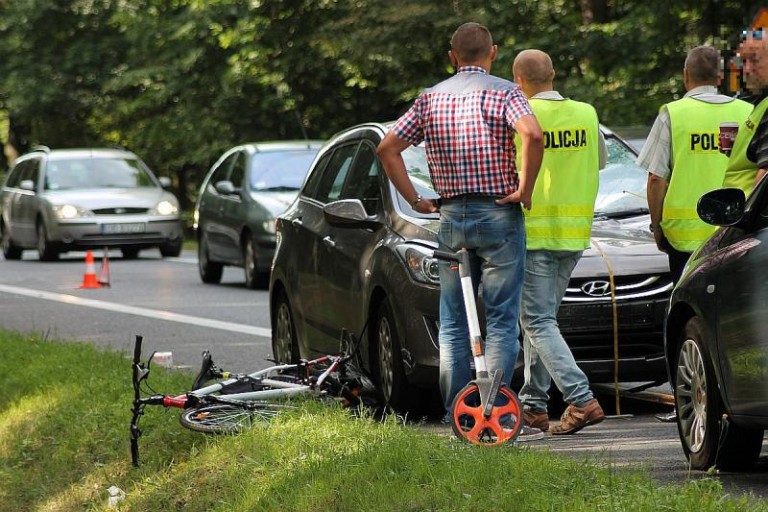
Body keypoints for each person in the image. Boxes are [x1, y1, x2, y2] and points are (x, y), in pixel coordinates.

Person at [377, 22, 545, 441]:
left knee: (452, 321)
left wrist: (416, 200)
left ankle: (462, 419)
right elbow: (532, 134)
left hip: (452, 217)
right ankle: (497, 416)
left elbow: (387, 148)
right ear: (494, 53)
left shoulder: (429, 98)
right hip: (499, 214)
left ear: (452, 57)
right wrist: (525, 189)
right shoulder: (506, 92)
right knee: (502, 319)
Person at [511, 49, 606, 435]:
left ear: (518, 81)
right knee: (543, 320)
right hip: (574, 233)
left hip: (534, 232)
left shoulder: (519, 116)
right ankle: (533, 405)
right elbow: (599, 162)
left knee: (536, 321)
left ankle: (581, 399)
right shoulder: (586, 113)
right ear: (552, 73)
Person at [638, 45, 752, 284]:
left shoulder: (672, 114)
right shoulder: (748, 112)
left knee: (688, 301)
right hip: (735, 233)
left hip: (682, 237)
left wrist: (657, 229)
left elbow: (656, 179)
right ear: (720, 77)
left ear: (686, 75)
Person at [723, 29, 768, 194]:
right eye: (743, 61)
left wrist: (749, 209)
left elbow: (765, 178)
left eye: (755, 60)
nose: (747, 69)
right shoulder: (757, 100)